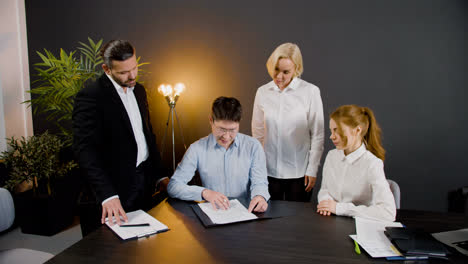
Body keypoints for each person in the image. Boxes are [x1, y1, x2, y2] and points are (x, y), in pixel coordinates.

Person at [73, 40, 168, 231]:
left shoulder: (139, 90)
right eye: (123, 72)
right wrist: (107, 195)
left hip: (144, 180)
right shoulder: (91, 96)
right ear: (106, 69)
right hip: (115, 187)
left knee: (148, 245)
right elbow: (85, 151)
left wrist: (159, 175)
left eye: (134, 68)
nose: (132, 75)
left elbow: (147, 135)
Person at [167, 97, 270, 212]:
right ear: (211, 120)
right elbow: (173, 186)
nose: (226, 137)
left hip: (245, 212)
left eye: (232, 130)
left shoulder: (253, 146)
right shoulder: (196, 148)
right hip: (213, 213)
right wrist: (204, 193)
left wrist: (260, 196)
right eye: (221, 129)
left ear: (239, 123)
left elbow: (260, 182)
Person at [252, 43, 324, 202]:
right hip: (268, 172)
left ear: (296, 69)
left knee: (298, 223)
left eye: (286, 72)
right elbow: (257, 135)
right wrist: (257, 170)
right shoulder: (262, 92)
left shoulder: (310, 92)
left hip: (299, 174)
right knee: (267, 223)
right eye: (276, 69)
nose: (279, 76)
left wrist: (312, 170)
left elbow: (318, 136)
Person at [317, 105, 396, 221]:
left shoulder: (372, 163)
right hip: (330, 222)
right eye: (331, 130)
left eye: (337, 130)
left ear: (357, 130)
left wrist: (340, 208)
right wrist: (325, 202)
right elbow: (325, 189)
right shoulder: (332, 156)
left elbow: (388, 212)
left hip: (359, 226)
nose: (331, 136)